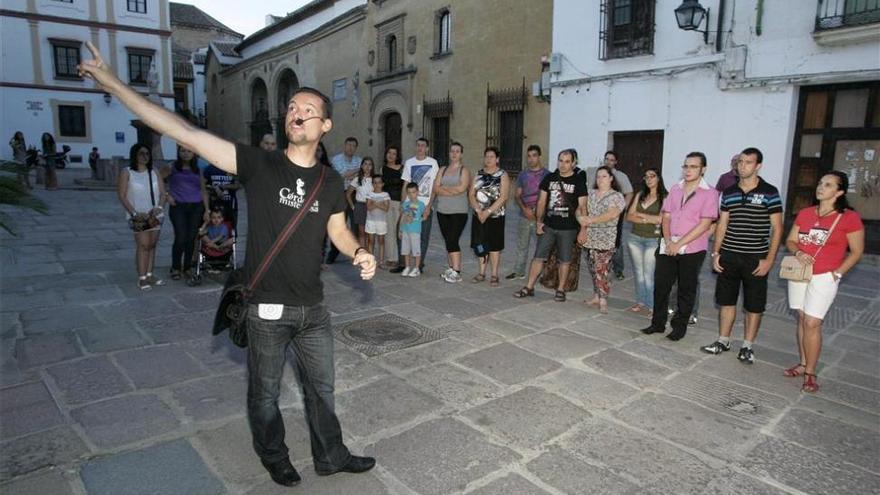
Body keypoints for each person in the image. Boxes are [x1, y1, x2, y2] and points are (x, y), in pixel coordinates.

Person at [78, 41, 376, 486]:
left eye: (307, 109)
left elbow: (337, 230)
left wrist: (358, 251)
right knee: (264, 396)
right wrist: (114, 84)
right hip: (266, 311)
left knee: (322, 391)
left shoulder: (330, 180)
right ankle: (274, 455)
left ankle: (331, 454)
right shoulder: (259, 165)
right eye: (291, 106)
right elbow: (187, 135)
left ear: (326, 125)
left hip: (312, 310)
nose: (296, 112)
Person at [783, 171, 864, 393]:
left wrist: (836, 274)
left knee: (812, 322)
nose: (820, 187)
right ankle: (802, 363)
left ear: (839, 192)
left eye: (828, 185)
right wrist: (798, 252)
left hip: (825, 275)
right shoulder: (806, 213)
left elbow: (856, 252)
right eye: (820, 183)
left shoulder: (849, 217)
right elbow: (791, 240)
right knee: (801, 317)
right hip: (801, 272)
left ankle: (810, 372)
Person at [701, 148, 783, 363]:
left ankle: (747, 346)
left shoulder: (769, 192)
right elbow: (722, 224)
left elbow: (777, 228)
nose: (742, 166)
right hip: (729, 254)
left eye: (748, 162)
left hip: (755, 257)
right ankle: (723, 340)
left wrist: (770, 260)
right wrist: (716, 253)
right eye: (740, 162)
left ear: (758, 166)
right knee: (726, 301)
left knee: (754, 304)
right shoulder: (729, 191)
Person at [641, 152, 719, 341]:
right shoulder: (675, 189)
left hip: (692, 249)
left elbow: (705, 223)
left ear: (703, 169)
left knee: (686, 288)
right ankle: (657, 322)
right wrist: (669, 242)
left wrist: (680, 243)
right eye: (685, 166)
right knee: (661, 285)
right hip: (667, 245)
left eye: (693, 166)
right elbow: (666, 217)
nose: (688, 170)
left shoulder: (710, 193)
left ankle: (679, 326)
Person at [513, 149, 587, 302]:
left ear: (573, 163)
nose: (563, 164)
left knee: (565, 259)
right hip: (549, 225)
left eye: (567, 161)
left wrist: (583, 229)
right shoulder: (550, 178)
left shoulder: (578, 181)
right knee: (538, 257)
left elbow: (582, 207)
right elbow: (541, 201)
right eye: (560, 160)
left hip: (568, 228)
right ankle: (529, 286)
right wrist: (539, 221)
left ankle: (560, 289)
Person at [117, 143, 167, 290]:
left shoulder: (154, 172)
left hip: (155, 214)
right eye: (141, 153)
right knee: (143, 245)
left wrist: (159, 207)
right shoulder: (127, 172)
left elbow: (163, 193)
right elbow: (122, 195)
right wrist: (133, 212)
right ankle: (142, 277)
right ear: (135, 155)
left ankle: (150, 274)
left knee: (152, 245)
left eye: (147, 153)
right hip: (138, 215)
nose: (145, 156)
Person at [581, 166, 626, 314]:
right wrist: (581, 219)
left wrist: (592, 220)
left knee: (603, 269)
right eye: (598, 176)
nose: (600, 179)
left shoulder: (617, 196)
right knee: (593, 268)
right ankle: (596, 295)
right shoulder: (591, 193)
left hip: (606, 237)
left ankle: (603, 299)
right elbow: (581, 207)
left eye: (604, 176)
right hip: (590, 237)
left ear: (611, 178)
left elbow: (612, 214)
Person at [162, 146, 210, 280]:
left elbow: (203, 190)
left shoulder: (198, 169)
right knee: (180, 237)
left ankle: (187, 267)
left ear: (194, 153)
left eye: (189, 151)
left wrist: (207, 210)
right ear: (178, 152)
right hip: (178, 207)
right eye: (183, 151)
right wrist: (167, 195)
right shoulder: (171, 167)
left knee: (191, 238)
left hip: (196, 206)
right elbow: (157, 180)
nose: (186, 154)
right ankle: (176, 267)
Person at [625, 167, 666, 315]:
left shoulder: (664, 197)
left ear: (658, 178)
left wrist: (640, 216)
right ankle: (641, 302)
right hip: (635, 237)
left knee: (649, 273)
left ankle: (652, 306)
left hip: (652, 239)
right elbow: (629, 216)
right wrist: (649, 219)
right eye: (646, 177)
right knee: (638, 272)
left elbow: (661, 219)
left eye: (652, 176)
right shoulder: (640, 194)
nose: (649, 179)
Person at [587, 151, 633, 280]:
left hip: (613, 214)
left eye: (612, 160)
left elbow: (629, 193)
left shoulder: (621, 176)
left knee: (616, 242)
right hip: (596, 212)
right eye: (606, 159)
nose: (608, 161)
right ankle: (598, 268)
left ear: (616, 162)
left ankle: (618, 269)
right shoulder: (597, 174)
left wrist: (623, 208)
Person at [507, 145, 550, 280]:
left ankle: (543, 274)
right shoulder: (522, 174)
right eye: (529, 156)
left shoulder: (547, 175)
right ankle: (519, 271)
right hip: (524, 215)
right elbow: (517, 195)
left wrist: (539, 212)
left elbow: (549, 197)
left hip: (541, 218)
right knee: (522, 245)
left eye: (534, 155)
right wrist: (524, 209)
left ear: (539, 157)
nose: (531, 159)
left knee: (543, 247)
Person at [469, 147, 510, 287]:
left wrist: (488, 212)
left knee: (494, 245)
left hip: (496, 216)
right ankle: (481, 272)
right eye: (486, 156)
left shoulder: (502, 175)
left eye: (492, 156)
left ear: (497, 159)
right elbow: (471, 194)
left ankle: (494, 274)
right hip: (479, 215)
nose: (488, 159)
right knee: (480, 244)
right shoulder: (478, 174)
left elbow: (504, 197)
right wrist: (478, 210)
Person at [433, 141, 471, 283]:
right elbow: (435, 188)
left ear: (461, 154)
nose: (454, 154)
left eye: (457, 151)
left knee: (453, 239)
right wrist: (450, 190)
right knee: (448, 239)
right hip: (442, 210)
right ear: (449, 153)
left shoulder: (464, 171)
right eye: (452, 151)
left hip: (459, 211)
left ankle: (457, 271)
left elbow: (462, 189)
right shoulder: (442, 169)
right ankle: (450, 267)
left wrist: (444, 189)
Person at [401, 137, 439, 272]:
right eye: (418, 145)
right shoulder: (409, 162)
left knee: (423, 236)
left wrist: (429, 206)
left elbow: (435, 186)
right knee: (406, 234)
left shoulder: (433, 163)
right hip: (409, 206)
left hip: (425, 205)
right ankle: (404, 264)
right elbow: (405, 184)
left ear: (427, 148)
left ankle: (419, 265)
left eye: (423, 145)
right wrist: (403, 205)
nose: (420, 148)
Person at [326, 137, 361, 264]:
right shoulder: (336, 159)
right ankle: (333, 254)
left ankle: (356, 253)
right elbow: (342, 175)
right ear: (344, 145)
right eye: (349, 145)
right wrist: (357, 170)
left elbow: (359, 177)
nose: (351, 148)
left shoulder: (359, 160)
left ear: (356, 148)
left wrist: (352, 174)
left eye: (353, 146)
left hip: (355, 195)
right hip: (340, 194)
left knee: (356, 225)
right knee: (339, 225)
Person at [382, 145, 404, 271]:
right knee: (389, 231)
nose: (391, 155)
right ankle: (392, 259)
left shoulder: (402, 168)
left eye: (394, 153)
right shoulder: (383, 168)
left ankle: (402, 259)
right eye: (389, 153)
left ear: (397, 156)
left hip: (399, 203)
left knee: (400, 232)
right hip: (387, 203)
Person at [399, 183, 425, 277]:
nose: (411, 195)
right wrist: (400, 230)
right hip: (406, 230)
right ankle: (407, 266)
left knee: (416, 250)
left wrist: (415, 219)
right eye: (409, 193)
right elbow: (402, 217)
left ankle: (417, 268)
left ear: (417, 192)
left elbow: (422, 216)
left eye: (413, 192)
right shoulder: (405, 204)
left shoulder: (421, 205)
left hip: (415, 230)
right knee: (406, 250)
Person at [203, 160, 239, 228]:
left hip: (230, 204)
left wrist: (223, 187)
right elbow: (203, 186)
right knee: (213, 227)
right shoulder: (209, 169)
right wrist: (214, 188)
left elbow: (237, 185)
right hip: (214, 204)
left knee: (231, 228)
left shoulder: (232, 169)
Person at [348, 157, 374, 247]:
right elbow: (348, 194)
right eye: (365, 164)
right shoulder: (357, 179)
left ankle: (370, 253)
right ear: (362, 166)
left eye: (369, 164)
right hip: (360, 206)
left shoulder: (374, 180)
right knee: (361, 232)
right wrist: (353, 206)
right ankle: (363, 253)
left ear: (372, 167)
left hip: (371, 206)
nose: (367, 166)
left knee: (370, 232)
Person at [365, 175, 390, 262]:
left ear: (382, 184)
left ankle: (381, 260)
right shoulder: (369, 194)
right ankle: (371, 260)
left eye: (379, 183)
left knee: (381, 241)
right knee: (370, 241)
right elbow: (369, 207)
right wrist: (380, 204)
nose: (377, 185)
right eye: (375, 183)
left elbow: (386, 208)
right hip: (370, 221)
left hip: (381, 222)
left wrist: (375, 203)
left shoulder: (385, 194)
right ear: (372, 184)